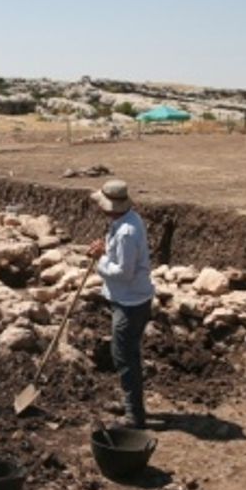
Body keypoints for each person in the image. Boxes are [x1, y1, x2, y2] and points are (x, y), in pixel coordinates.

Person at [87, 179, 155, 429]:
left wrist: (100, 258)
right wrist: (105, 249)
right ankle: (130, 403)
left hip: (131, 302)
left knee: (124, 356)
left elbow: (123, 272)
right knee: (127, 354)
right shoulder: (125, 221)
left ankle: (134, 416)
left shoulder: (127, 232)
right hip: (130, 299)